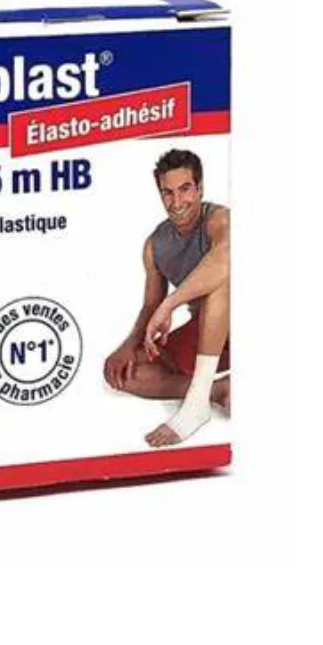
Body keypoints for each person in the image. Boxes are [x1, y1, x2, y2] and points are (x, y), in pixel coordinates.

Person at [103, 148, 230, 447]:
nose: (177, 202)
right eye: (168, 193)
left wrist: (170, 304)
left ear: (200, 188)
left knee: (221, 282)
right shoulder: (155, 245)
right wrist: (127, 346)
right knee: (122, 373)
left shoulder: (220, 220)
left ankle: (195, 404)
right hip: (211, 336)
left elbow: (226, 259)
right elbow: (151, 304)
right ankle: (215, 391)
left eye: (185, 189)